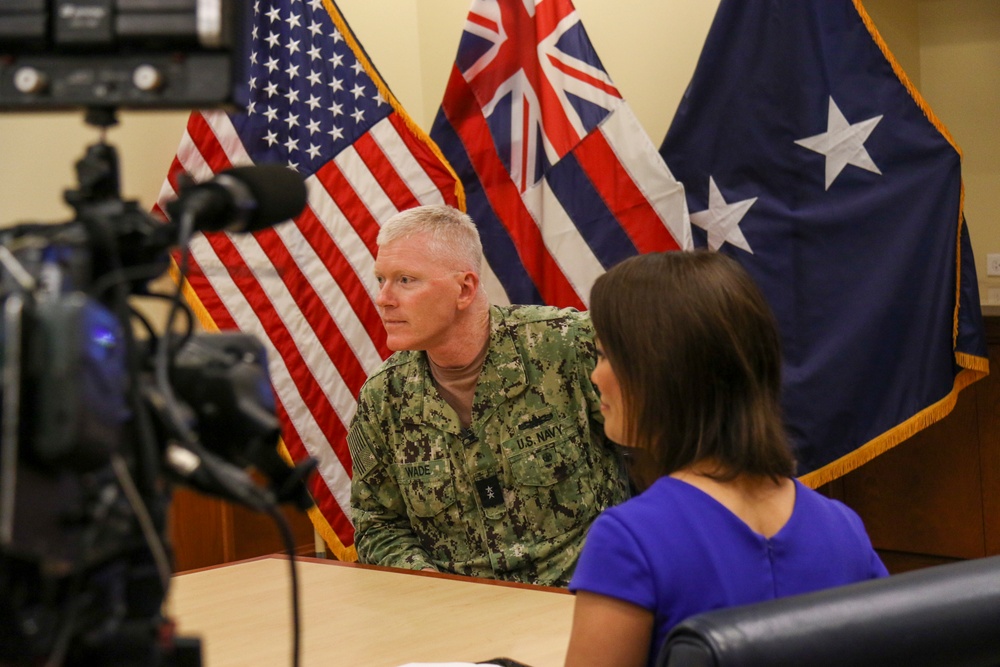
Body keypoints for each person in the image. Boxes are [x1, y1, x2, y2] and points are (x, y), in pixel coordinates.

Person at [563, 251, 888, 667]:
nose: (595, 374)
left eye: (605, 355)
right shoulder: (843, 528)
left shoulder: (630, 539)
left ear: (661, 373)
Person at [347, 204, 629, 587]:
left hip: (586, 596)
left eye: (405, 280)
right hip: (459, 615)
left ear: (464, 289)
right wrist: (435, 591)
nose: (383, 298)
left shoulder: (565, 345)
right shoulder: (384, 397)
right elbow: (377, 524)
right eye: (381, 279)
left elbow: (661, 447)